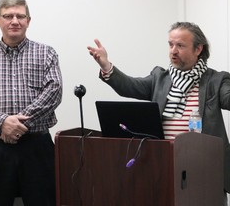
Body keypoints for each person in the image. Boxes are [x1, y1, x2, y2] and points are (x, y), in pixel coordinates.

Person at [87, 22, 230, 205]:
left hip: (205, 168)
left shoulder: (216, 81)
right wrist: (106, 65)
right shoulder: (160, 78)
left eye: (180, 45)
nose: (173, 51)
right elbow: (130, 86)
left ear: (198, 49)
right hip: (164, 165)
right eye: (170, 44)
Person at [0, 0, 62, 206]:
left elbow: (54, 90)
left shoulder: (46, 53)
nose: (15, 21)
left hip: (37, 146)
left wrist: (16, 125)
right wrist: (2, 122)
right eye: (8, 16)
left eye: (20, 16)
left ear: (29, 20)